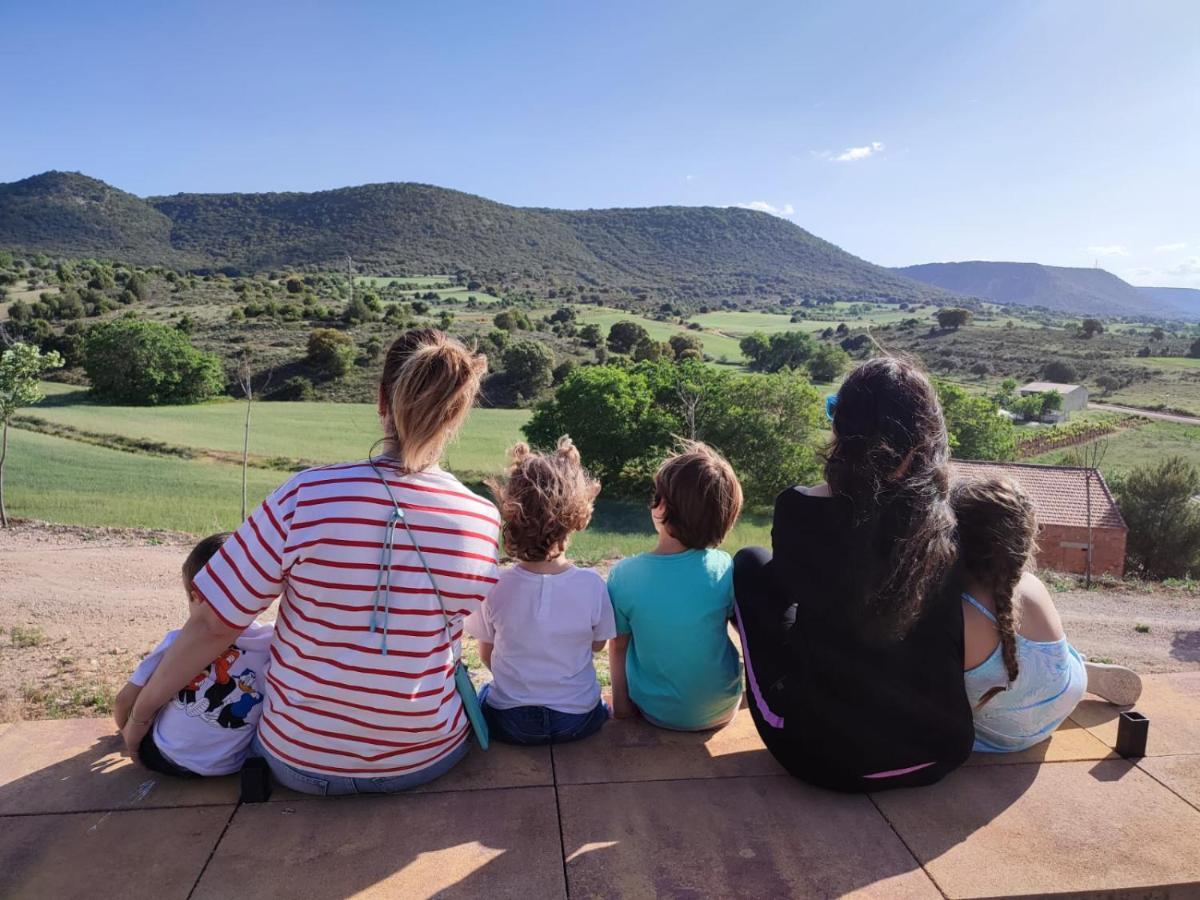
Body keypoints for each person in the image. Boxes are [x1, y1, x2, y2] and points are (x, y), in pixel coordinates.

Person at [120, 329, 499, 795]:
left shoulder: (308, 493)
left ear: (380, 400)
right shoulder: (483, 519)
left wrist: (140, 717)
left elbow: (214, 624)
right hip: (426, 755)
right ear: (458, 412)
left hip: (299, 760)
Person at [733, 355, 975, 792]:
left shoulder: (800, 508)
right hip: (941, 750)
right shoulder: (952, 518)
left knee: (750, 564)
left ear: (842, 429)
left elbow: (781, 592)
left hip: (821, 756)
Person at [953, 475, 1141, 752]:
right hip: (1061, 700)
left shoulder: (958, 610)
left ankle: (1029, 687)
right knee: (1040, 654)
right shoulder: (1031, 585)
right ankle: (1064, 673)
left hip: (996, 736)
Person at [467, 438, 615, 745]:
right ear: (578, 517)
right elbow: (598, 645)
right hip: (577, 719)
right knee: (600, 705)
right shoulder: (591, 584)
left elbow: (486, 652)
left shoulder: (495, 585)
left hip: (510, 721)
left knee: (483, 694)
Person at [608, 442, 744, 731]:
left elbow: (618, 645)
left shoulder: (624, 575)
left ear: (662, 507)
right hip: (723, 706)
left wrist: (621, 708)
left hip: (658, 713)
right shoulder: (725, 567)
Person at [113, 533, 272, 777]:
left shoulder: (177, 641)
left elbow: (124, 700)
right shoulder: (269, 640)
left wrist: (126, 729)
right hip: (229, 765)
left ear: (195, 597)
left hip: (162, 755)